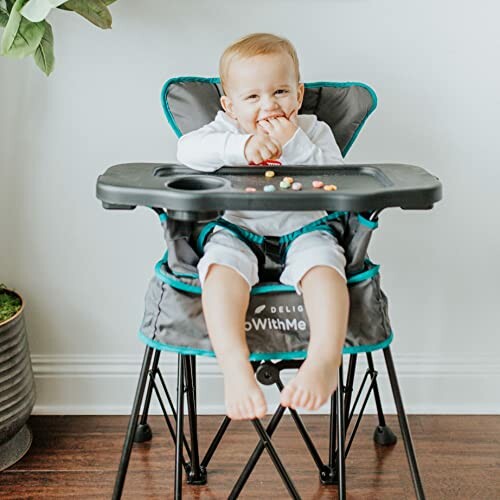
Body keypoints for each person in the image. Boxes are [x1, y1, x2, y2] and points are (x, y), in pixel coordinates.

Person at [177, 33, 349, 420]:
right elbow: (185, 152)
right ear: (230, 105)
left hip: (305, 229)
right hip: (239, 229)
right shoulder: (225, 132)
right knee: (219, 270)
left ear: (299, 94)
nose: (269, 105)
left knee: (325, 268)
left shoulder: (313, 131)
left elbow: (339, 178)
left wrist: (297, 144)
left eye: (281, 92)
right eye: (252, 97)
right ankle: (235, 368)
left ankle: (323, 360)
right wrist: (239, 148)